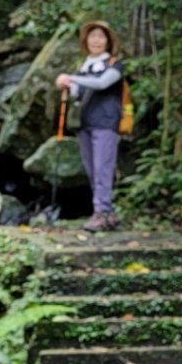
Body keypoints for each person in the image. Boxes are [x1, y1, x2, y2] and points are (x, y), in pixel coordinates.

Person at [55, 20, 123, 232]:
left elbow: (102, 83)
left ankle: (101, 212)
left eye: (100, 36)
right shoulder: (83, 67)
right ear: (86, 41)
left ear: (108, 41)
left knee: (103, 168)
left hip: (105, 122)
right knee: (92, 170)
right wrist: (66, 85)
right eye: (92, 36)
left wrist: (72, 78)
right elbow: (77, 93)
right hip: (84, 124)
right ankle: (107, 213)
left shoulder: (115, 64)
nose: (96, 40)